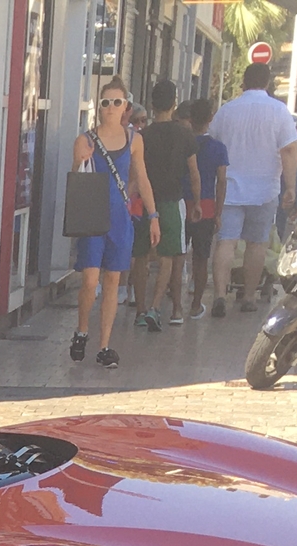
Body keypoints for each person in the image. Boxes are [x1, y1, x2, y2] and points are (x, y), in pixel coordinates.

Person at [71, 81, 153, 367]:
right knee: (90, 279)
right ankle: (82, 329)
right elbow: (76, 180)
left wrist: (153, 216)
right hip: (93, 214)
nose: (111, 108)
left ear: (125, 107)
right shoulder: (86, 140)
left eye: (116, 102)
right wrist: (79, 161)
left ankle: (104, 345)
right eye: (105, 103)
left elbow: (142, 178)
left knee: (113, 281)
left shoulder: (135, 141)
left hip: (119, 216)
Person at [211, 63, 297, 314]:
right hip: (264, 190)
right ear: (268, 83)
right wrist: (290, 187)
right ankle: (249, 297)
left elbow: (213, 144)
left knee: (226, 242)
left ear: (244, 83)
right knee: (257, 244)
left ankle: (219, 295)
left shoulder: (227, 111)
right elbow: (289, 150)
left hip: (229, 189)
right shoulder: (279, 111)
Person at [134, 80, 197, 330]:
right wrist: (196, 201)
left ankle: (139, 309)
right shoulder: (185, 134)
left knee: (140, 256)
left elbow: (134, 172)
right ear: (174, 103)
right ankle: (156, 306)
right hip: (172, 201)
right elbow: (193, 172)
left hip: (144, 203)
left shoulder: (141, 136)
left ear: (151, 104)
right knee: (168, 256)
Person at [184, 97, 229, 319]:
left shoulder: (183, 144)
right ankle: (196, 303)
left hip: (182, 204)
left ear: (190, 119)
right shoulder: (218, 148)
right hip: (207, 205)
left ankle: (173, 301)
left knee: (175, 255)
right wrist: (218, 213)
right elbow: (221, 181)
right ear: (210, 119)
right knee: (201, 257)